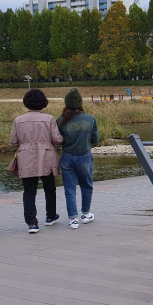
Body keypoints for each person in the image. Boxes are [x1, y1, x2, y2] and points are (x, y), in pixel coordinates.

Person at [10, 89, 64, 234]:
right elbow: (57, 140)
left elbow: (14, 141)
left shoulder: (18, 120)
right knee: (49, 187)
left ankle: (32, 223)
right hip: (46, 156)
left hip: (26, 157)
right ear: (43, 102)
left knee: (29, 191)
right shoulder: (49, 119)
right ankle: (50, 216)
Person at [57, 88, 99, 230]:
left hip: (67, 157)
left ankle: (73, 219)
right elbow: (95, 139)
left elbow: (59, 140)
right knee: (86, 186)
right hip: (84, 156)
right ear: (80, 104)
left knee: (70, 189)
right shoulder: (90, 119)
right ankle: (86, 214)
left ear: (66, 104)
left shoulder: (60, 121)